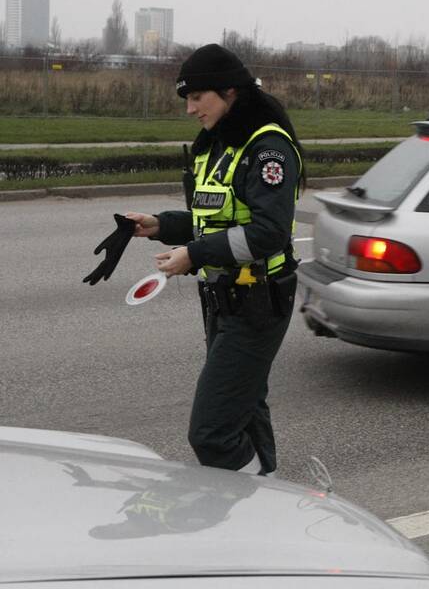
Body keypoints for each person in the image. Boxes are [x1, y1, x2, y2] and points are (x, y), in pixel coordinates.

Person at [125, 43, 304, 477]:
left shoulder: (267, 149)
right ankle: (268, 498)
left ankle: (248, 503)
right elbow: (214, 220)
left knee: (211, 432)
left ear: (229, 93)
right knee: (246, 407)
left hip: (258, 301)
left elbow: (267, 232)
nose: (189, 110)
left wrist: (195, 254)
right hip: (225, 298)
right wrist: (160, 224)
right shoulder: (218, 145)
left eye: (196, 98)